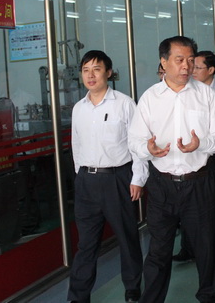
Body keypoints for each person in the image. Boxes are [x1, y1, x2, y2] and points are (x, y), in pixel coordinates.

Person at [128, 36, 215, 303]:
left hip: (199, 182)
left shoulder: (206, 95)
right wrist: (148, 149)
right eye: (179, 60)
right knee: (158, 248)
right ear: (164, 62)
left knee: (206, 246)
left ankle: (208, 295)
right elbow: (134, 141)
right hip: (162, 185)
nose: (186, 66)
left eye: (191, 60)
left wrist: (201, 144)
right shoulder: (150, 98)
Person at [67, 50, 146, 303]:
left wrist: (137, 178)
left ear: (108, 73)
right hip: (86, 182)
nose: (90, 75)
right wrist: (80, 175)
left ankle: (132, 288)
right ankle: (78, 296)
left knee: (126, 237)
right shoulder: (79, 108)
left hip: (117, 179)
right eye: (85, 70)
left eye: (96, 69)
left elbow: (138, 143)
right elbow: (76, 144)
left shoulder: (124, 103)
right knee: (86, 244)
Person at [173, 51, 215, 262]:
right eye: (193, 65)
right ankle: (188, 247)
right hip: (190, 154)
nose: (193, 70)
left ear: (211, 70)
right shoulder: (187, 91)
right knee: (189, 203)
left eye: (198, 67)